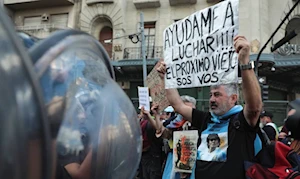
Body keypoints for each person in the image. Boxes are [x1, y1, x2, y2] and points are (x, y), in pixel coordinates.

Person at [157, 36, 262, 179]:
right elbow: (178, 105)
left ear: (233, 98)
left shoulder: (241, 121)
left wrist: (244, 62)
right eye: (211, 94)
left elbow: (254, 107)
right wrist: (166, 78)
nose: (212, 99)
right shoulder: (206, 119)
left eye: (217, 94)